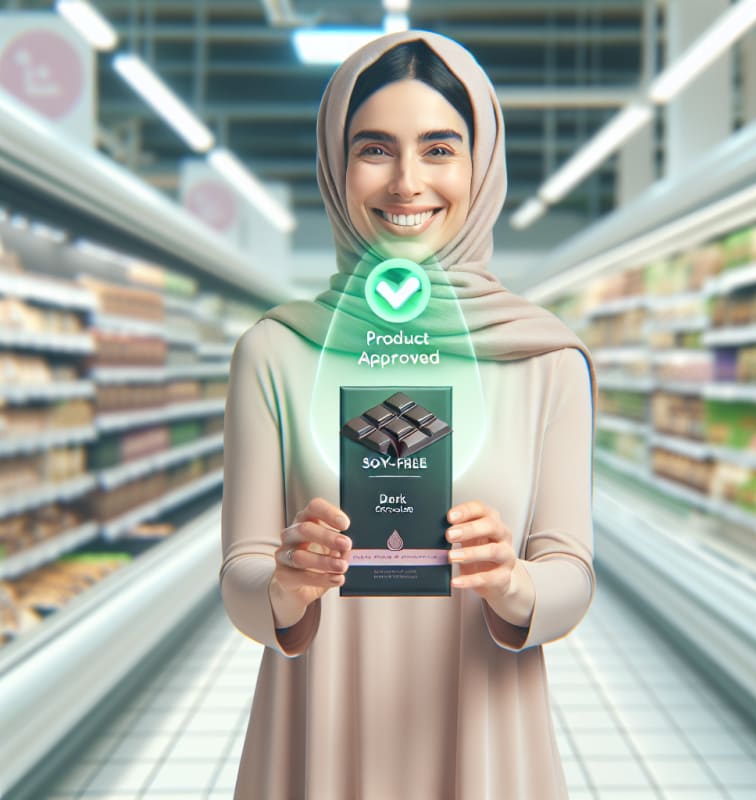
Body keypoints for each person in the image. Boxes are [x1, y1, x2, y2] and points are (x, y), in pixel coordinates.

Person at [221, 29, 597, 800]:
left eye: (437, 148)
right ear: (335, 163)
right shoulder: (278, 350)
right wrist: (286, 586)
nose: (406, 182)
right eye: (374, 149)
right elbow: (240, 578)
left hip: (483, 737)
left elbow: (573, 574)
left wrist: (513, 584)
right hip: (318, 736)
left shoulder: (544, 358)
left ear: (479, 164)